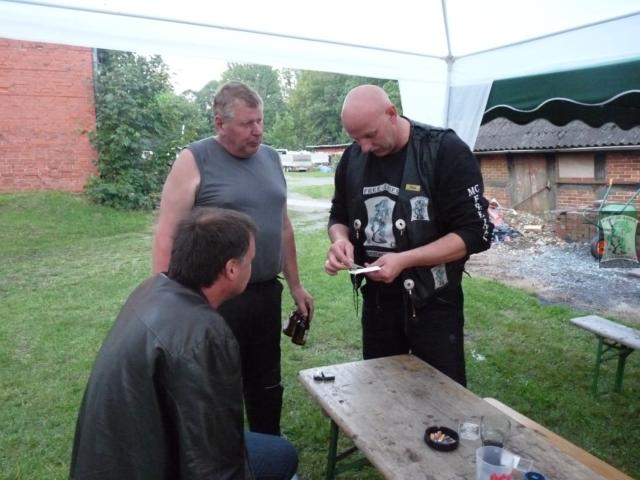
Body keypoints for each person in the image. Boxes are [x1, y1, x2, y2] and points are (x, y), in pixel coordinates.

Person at [71, 207, 298, 480]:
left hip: (117, 457)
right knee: (281, 456)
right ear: (231, 269)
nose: (252, 265)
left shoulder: (152, 289)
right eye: (250, 260)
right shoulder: (202, 336)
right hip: (148, 464)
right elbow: (213, 459)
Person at [152, 81, 313, 435]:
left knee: (266, 381)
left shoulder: (271, 158)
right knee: (214, 385)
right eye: (247, 123)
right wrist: (165, 303)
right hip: (214, 299)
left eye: (260, 121)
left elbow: (283, 226)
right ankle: (217, 454)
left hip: (265, 292)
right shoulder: (194, 160)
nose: (258, 130)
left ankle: (267, 446)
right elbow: (167, 233)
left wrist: (296, 285)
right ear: (220, 123)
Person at [324, 85, 493, 386]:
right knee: (382, 391)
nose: (364, 147)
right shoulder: (352, 158)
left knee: (443, 394)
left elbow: (475, 233)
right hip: (378, 303)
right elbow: (339, 215)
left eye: (370, 135)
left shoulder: (443, 150)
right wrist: (340, 240)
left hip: (434, 302)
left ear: (391, 113)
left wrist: (405, 259)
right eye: (356, 139)